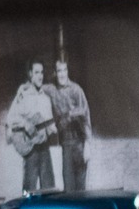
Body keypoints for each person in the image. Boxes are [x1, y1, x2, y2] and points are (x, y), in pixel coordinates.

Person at [6, 60, 57, 193]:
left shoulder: (46, 99)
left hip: (44, 147)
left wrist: (54, 129)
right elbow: (11, 118)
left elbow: (50, 125)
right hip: (30, 150)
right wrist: (26, 123)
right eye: (36, 72)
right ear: (30, 74)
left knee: (49, 188)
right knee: (29, 190)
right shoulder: (23, 95)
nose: (40, 76)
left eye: (42, 72)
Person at [45, 58, 92, 190]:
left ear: (68, 72)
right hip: (65, 144)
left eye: (64, 70)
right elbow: (37, 88)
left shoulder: (76, 90)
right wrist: (25, 87)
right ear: (55, 73)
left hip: (79, 144)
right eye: (59, 71)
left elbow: (86, 117)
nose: (62, 74)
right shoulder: (52, 90)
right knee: (68, 187)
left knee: (81, 188)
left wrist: (88, 145)